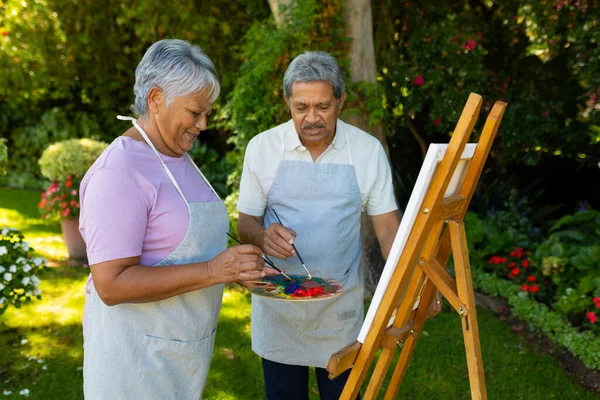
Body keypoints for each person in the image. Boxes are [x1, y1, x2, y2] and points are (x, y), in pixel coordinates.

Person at [79, 39, 278, 400]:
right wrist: (214, 272)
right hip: (133, 364)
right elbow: (110, 284)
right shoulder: (119, 171)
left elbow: (192, 247)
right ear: (156, 99)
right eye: (194, 112)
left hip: (182, 354)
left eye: (207, 112)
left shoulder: (178, 157)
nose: (203, 124)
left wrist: (240, 269)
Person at [236, 51, 401, 400]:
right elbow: (246, 223)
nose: (312, 118)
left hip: (340, 317)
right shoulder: (262, 148)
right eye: (301, 107)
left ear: (340, 101)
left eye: (322, 106)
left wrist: (407, 284)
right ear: (287, 102)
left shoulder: (367, 150)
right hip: (279, 313)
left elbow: (387, 228)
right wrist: (264, 237)